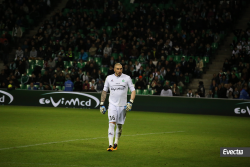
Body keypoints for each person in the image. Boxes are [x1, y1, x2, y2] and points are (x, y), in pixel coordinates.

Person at [100, 63, 136, 151]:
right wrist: (101, 104)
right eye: (118, 69)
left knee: (119, 126)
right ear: (114, 70)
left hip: (123, 106)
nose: (120, 70)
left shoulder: (127, 78)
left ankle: (116, 143)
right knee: (111, 123)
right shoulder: (109, 78)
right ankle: (110, 145)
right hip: (112, 105)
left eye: (121, 69)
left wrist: (130, 102)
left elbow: (133, 91)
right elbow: (104, 91)